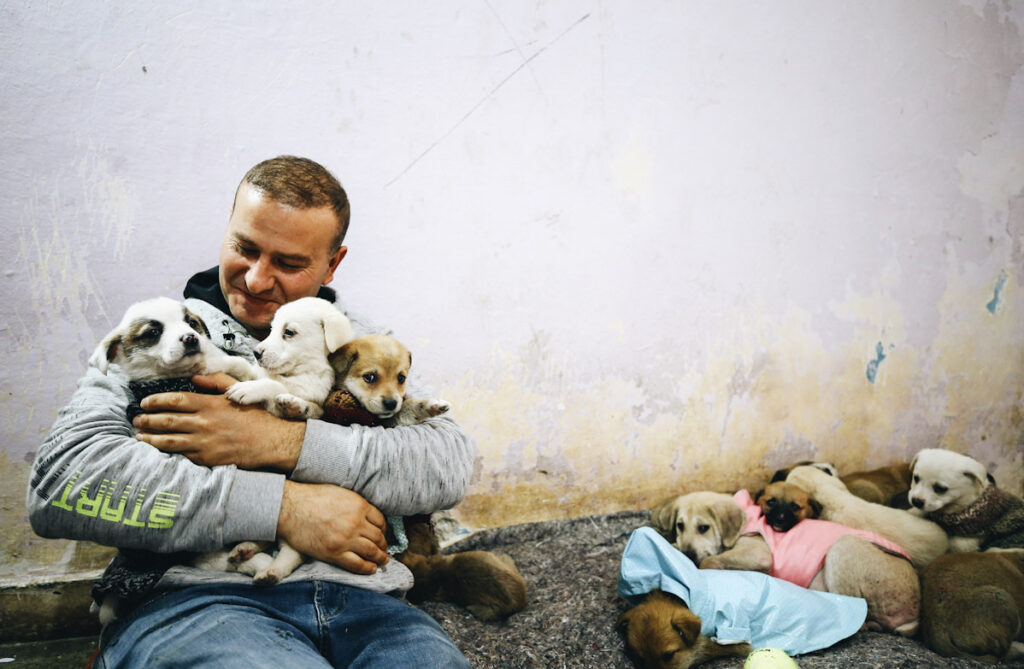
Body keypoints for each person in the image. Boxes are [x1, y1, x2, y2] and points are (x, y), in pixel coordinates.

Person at [27, 156, 476, 667]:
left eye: (288, 263)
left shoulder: (358, 340)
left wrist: (278, 442)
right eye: (244, 249)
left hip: (370, 600)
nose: (258, 280)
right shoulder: (152, 341)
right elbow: (61, 484)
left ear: (333, 264)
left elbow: (449, 461)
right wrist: (285, 507)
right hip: (199, 600)